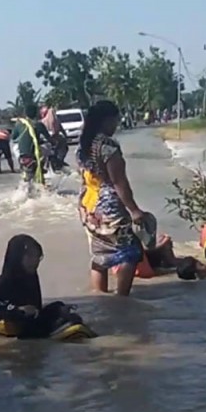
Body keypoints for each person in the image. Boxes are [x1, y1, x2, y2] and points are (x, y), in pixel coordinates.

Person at [77, 100, 153, 296]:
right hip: (109, 208)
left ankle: (101, 297)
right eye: (115, 120)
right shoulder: (107, 146)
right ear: (106, 120)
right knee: (131, 252)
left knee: (100, 255)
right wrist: (135, 210)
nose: (116, 125)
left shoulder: (84, 145)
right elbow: (119, 182)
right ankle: (121, 299)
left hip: (88, 207)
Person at [0, 234, 95, 340]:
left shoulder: (30, 275)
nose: (35, 262)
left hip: (31, 318)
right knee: (70, 321)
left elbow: (35, 308)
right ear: (17, 258)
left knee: (61, 307)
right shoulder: (6, 280)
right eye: (31, 257)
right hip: (18, 323)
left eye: (38, 257)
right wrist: (16, 309)